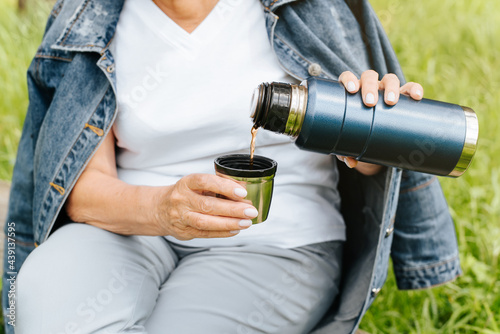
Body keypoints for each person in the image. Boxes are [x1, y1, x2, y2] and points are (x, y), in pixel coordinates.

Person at [3, 0, 462, 333]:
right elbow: (83, 189)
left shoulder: (310, 9)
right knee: (51, 308)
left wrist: (370, 125)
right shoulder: (87, 19)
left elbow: (369, 169)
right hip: (130, 224)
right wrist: (165, 210)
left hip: (276, 241)